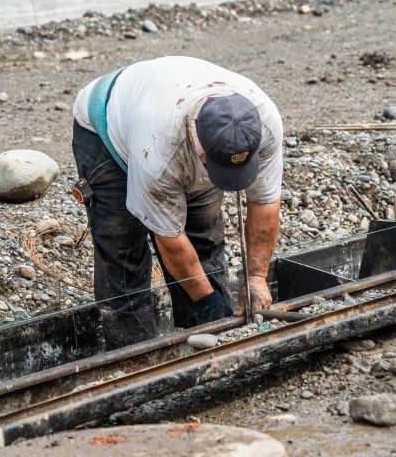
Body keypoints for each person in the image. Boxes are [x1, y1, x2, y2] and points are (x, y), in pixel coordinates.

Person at [72, 56, 283, 350]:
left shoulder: (265, 123)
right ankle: (134, 356)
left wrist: (257, 277)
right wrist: (207, 300)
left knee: (203, 239)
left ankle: (206, 343)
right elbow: (169, 238)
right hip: (108, 131)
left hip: (169, 105)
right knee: (124, 254)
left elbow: (265, 203)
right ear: (200, 149)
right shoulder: (160, 155)